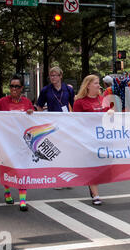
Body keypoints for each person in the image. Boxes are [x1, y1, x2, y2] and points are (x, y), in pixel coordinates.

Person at [0, 75, 34, 211]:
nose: (14, 89)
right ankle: (8, 192)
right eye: (11, 86)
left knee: (22, 168)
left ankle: (23, 200)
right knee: (8, 167)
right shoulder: (3, 101)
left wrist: (31, 113)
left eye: (17, 86)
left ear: (22, 88)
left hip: (22, 141)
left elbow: (33, 119)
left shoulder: (27, 102)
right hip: (6, 141)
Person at [73, 75, 112, 205]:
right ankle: (95, 194)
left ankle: (92, 185)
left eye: (98, 83)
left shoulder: (103, 99)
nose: (98, 85)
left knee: (100, 166)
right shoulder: (79, 102)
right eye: (95, 83)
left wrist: (111, 112)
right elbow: (76, 121)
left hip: (102, 138)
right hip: (88, 139)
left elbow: (108, 116)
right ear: (88, 85)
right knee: (91, 166)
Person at [36, 66, 75, 190]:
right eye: (51, 75)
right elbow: (39, 105)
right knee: (56, 151)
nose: (53, 77)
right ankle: (57, 179)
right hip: (52, 125)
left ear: (60, 76)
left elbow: (74, 105)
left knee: (67, 151)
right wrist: (44, 117)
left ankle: (66, 178)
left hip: (66, 123)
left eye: (55, 75)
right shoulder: (46, 90)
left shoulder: (68, 89)